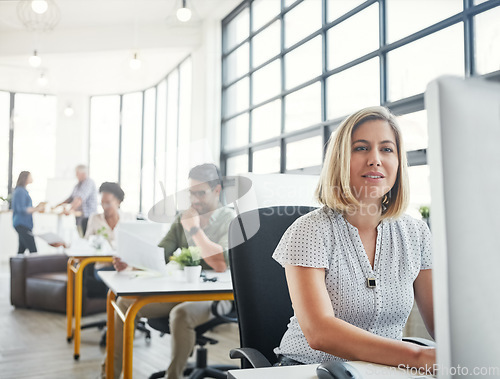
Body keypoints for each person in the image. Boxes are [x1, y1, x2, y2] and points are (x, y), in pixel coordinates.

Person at [272, 106, 435, 373]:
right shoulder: (310, 231)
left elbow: (443, 323)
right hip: (309, 370)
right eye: (361, 148)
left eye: (386, 149)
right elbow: (319, 332)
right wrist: (417, 356)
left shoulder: (416, 233)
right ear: (339, 160)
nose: (375, 159)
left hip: (385, 370)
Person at [105, 164, 235, 379]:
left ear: (217, 190)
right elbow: (160, 254)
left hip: (217, 296)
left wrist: (194, 229)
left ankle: (173, 376)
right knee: (124, 304)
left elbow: (219, 264)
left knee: (181, 314)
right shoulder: (183, 217)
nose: (194, 200)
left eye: (200, 193)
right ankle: (109, 375)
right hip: (182, 291)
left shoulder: (228, 219)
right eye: (191, 193)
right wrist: (130, 264)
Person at [84, 182, 133, 298]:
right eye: (102, 203)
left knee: (125, 274)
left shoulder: (129, 218)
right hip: (103, 266)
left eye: (108, 203)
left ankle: (126, 313)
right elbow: (86, 243)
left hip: (125, 265)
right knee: (113, 275)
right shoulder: (95, 219)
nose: (104, 207)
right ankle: (113, 314)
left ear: (118, 202)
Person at [57, 164, 97, 236]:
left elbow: (79, 199)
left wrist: (70, 210)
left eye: (77, 173)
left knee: (86, 239)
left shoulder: (88, 182)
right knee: (81, 238)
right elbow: (70, 199)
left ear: (83, 173)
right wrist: (56, 206)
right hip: (79, 219)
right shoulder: (78, 185)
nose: (76, 175)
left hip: (88, 218)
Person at [11, 171, 45, 254]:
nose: (32, 178)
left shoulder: (23, 190)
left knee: (21, 250)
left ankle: (17, 267)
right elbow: (22, 209)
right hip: (22, 224)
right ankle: (35, 267)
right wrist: (37, 209)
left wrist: (36, 208)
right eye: (30, 176)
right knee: (33, 250)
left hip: (24, 224)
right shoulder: (20, 191)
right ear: (25, 178)